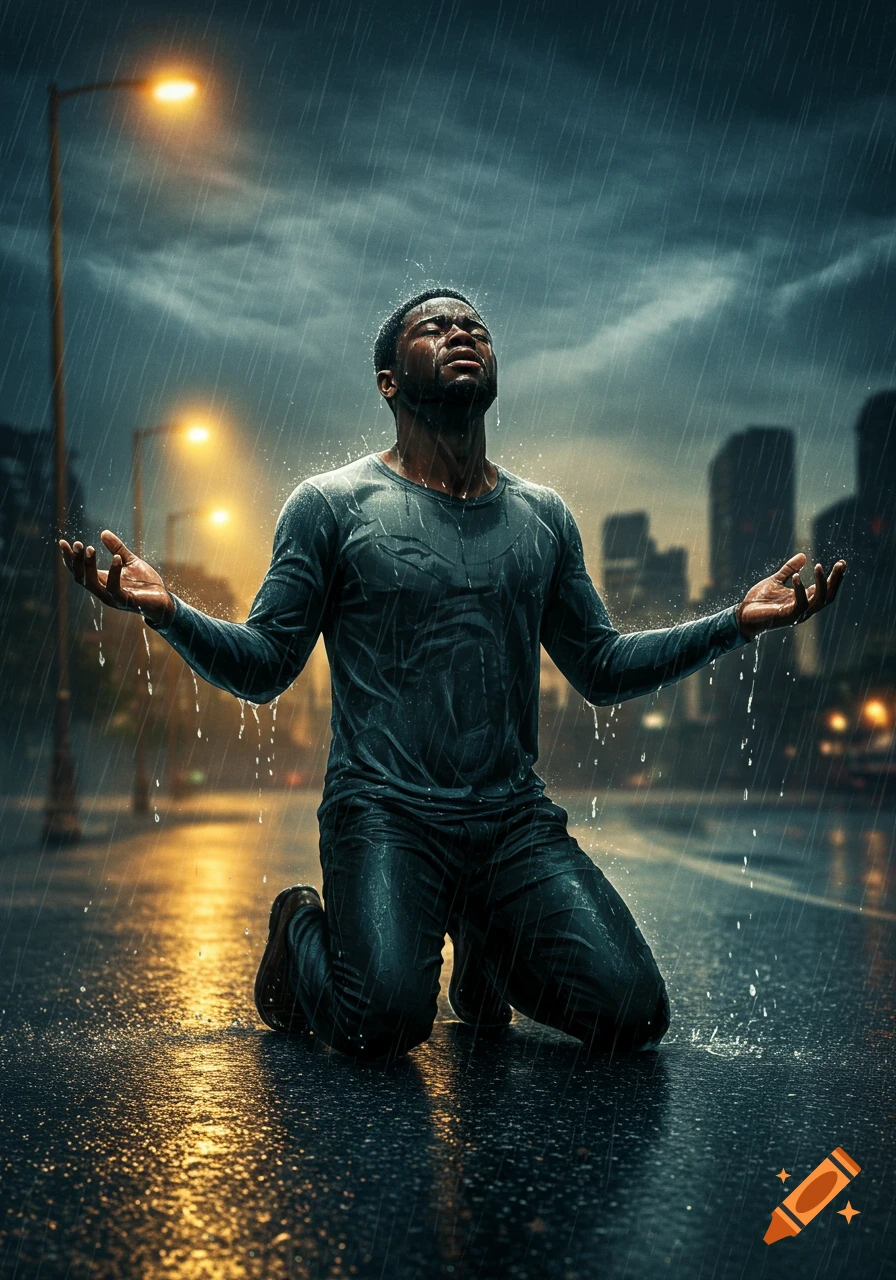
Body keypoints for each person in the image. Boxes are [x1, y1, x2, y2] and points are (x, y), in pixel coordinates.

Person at [60, 287, 846, 1063]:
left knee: (632, 1015)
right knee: (381, 1024)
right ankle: (299, 925)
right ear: (389, 382)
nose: (462, 332)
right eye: (434, 327)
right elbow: (267, 665)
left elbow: (601, 667)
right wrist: (169, 611)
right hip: (385, 813)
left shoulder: (543, 517)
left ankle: (486, 945)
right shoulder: (330, 506)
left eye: (475, 326)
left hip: (510, 822)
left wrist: (733, 623)